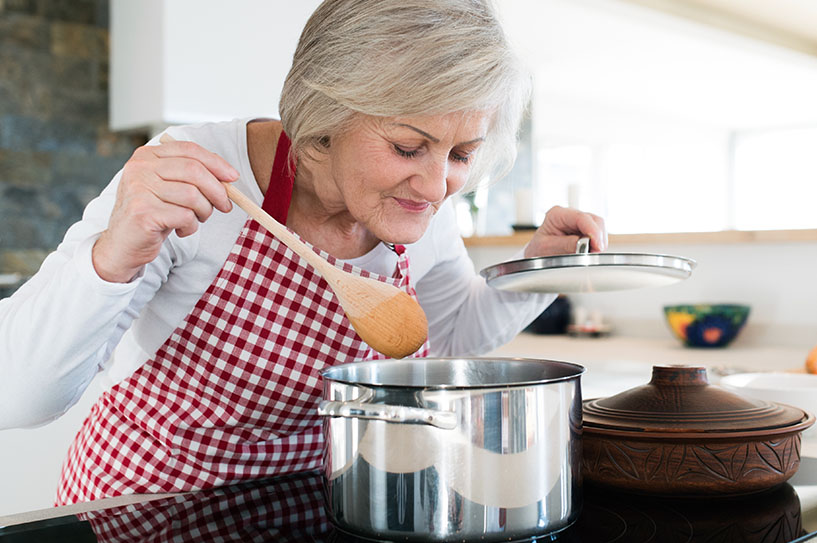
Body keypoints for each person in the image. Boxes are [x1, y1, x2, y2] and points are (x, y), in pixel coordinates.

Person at [0, 0, 606, 505]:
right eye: (405, 146)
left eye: (461, 155)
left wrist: (540, 267)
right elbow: (20, 394)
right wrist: (114, 253)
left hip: (310, 511)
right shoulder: (193, 175)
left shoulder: (416, 206)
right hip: (149, 517)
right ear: (326, 113)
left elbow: (446, 336)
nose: (433, 185)